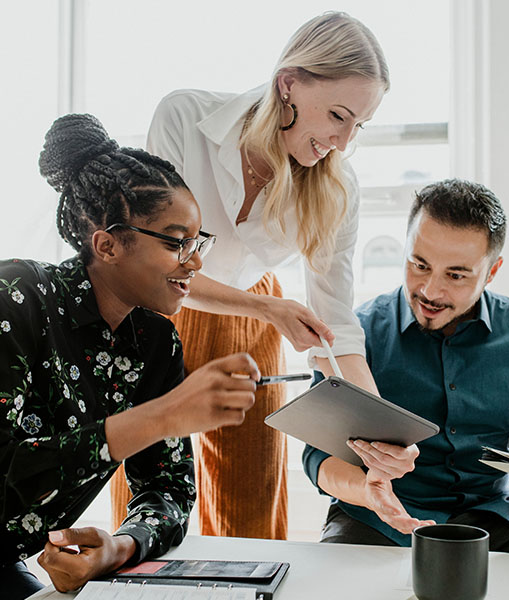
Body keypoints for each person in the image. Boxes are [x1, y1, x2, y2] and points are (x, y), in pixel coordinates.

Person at [109, 11, 390, 540]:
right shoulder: (184, 117)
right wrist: (267, 309)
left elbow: (336, 324)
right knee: (145, 493)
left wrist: (378, 429)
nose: (344, 141)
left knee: (251, 498)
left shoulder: (338, 188)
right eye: (337, 115)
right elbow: (159, 264)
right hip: (154, 309)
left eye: (358, 125)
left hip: (252, 315)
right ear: (288, 84)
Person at [0, 113, 261, 599]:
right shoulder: (16, 296)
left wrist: (116, 548)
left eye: (197, 241)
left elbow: (171, 490)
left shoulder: (155, 340)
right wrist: (165, 415)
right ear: (107, 245)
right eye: (177, 241)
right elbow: (6, 469)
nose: (196, 261)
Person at [303, 179, 509, 554]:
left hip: (493, 517)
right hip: (377, 517)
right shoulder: (356, 334)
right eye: (419, 264)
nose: (431, 291)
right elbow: (318, 455)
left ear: (492, 271)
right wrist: (370, 494)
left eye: (455, 275)